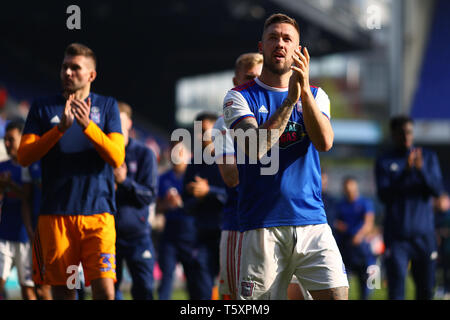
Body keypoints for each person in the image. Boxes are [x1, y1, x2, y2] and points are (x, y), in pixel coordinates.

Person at [222, 13, 348, 300]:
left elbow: (325, 142)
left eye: (287, 39)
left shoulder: (316, 95)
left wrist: (302, 94)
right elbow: (254, 147)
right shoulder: (238, 97)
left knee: (338, 296)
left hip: (312, 221)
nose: (280, 43)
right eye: (273, 38)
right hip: (262, 225)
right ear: (262, 47)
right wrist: (289, 100)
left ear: (298, 51)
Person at [17, 43, 125, 300]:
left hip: (98, 213)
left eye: (75, 67)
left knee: (105, 289)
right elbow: (24, 156)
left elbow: (116, 156)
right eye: (64, 67)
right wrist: (59, 129)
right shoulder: (43, 107)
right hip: (56, 214)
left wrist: (88, 126)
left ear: (91, 75)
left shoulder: (108, 106)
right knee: (63, 291)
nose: (67, 72)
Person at [375, 115, 444, 300]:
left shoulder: (427, 158)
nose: (406, 136)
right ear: (393, 134)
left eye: (410, 132)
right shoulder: (385, 161)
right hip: (397, 238)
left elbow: (437, 191)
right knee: (396, 290)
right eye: (402, 133)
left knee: (426, 290)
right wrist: (405, 172)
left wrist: (421, 171)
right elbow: (384, 196)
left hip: (424, 236)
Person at [213, 52, 263, 300]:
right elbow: (231, 177)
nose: (255, 82)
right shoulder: (223, 124)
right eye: (249, 78)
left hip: (280, 219)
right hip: (239, 223)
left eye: (259, 77)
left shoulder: (278, 111)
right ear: (236, 81)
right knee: (236, 298)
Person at [113, 102, 158, 300]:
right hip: (107, 234)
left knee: (144, 290)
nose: (114, 125)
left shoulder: (144, 154)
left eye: (119, 120)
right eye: (111, 120)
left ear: (129, 123)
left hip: (137, 235)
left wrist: (124, 182)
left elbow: (149, 195)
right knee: (108, 293)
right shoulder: (101, 154)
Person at [183, 112, 227, 300]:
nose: (200, 136)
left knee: (233, 286)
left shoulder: (229, 158)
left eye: (204, 131)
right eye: (197, 132)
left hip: (229, 231)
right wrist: (196, 197)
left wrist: (208, 192)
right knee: (199, 280)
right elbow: (186, 202)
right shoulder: (194, 163)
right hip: (203, 232)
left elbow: (236, 195)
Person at [156, 141, 200, 300]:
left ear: (187, 155)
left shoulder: (195, 176)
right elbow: (157, 206)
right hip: (170, 231)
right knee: (166, 276)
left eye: (180, 152)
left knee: (193, 279)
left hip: (190, 231)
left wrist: (181, 203)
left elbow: (200, 203)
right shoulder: (163, 178)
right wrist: (167, 204)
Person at [0, 120, 36, 300]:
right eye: (5, 139)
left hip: (25, 238)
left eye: (11, 140)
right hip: (4, 235)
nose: (6, 144)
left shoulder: (31, 166)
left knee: (28, 291)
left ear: (22, 138)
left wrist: (10, 185)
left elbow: (28, 198)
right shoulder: (2, 167)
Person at [334, 176, 376, 300]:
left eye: (352, 189)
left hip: (362, 249)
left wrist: (359, 235)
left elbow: (369, 222)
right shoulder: (340, 205)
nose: (350, 191)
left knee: (365, 283)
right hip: (345, 248)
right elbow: (335, 222)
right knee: (340, 282)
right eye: (347, 189)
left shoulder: (365, 203)